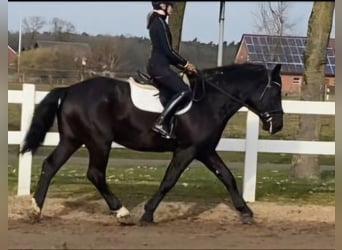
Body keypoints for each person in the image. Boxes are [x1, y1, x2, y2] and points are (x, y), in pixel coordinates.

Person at [147, 1, 198, 139]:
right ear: (163, 5)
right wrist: (186, 63)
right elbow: (168, 51)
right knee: (184, 91)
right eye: (171, 5)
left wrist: (181, 66)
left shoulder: (157, 22)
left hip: (159, 65)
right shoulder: (160, 24)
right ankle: (161, 122)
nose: (173, 8)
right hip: (159, 67)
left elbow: (166, 54)